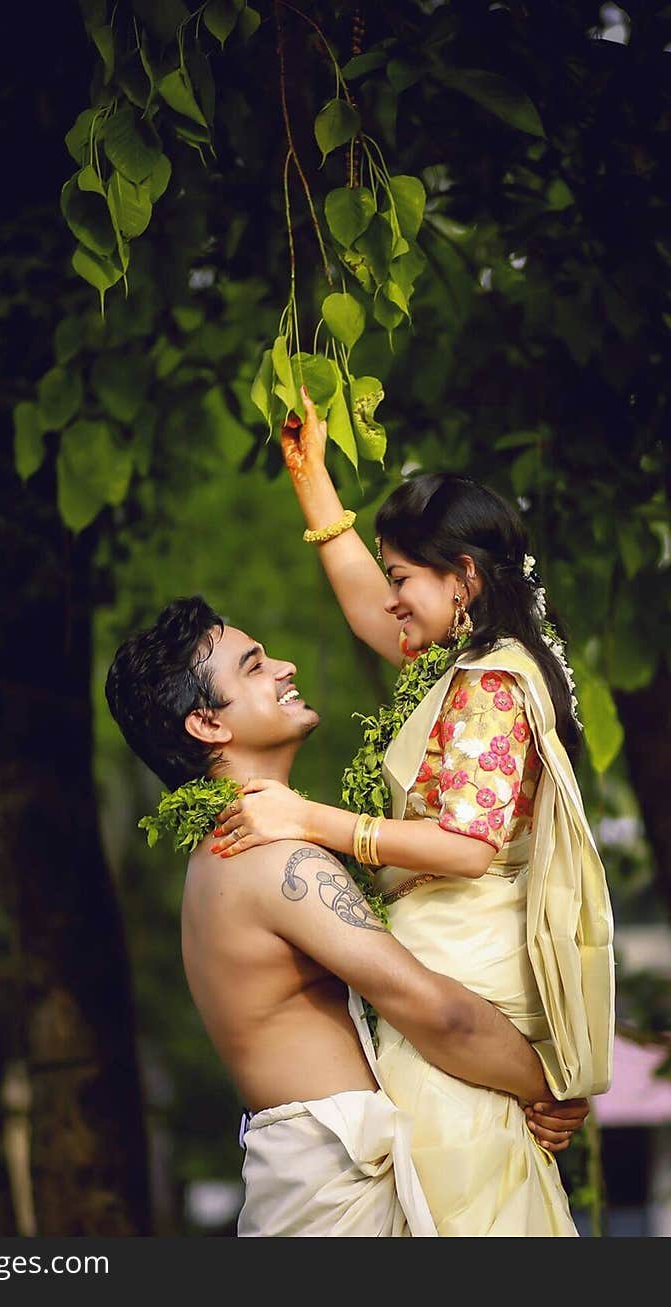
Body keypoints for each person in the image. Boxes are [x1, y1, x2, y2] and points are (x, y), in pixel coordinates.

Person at [208, 388, 614, 1236]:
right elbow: (372, 605)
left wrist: (309, 819)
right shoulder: (472, 659)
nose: (391, 601)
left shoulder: (491, 685)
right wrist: (310, 479)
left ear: (462, 579)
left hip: (467, 984)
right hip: (454, 980)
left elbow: (465, 845)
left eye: (405, 579)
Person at [105, 597, 589, 1238]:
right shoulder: (272, 860)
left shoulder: (228, 853)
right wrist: (549, 1085)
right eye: (253, 667)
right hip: (337, 1191)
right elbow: (431, 1009)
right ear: (206, 724)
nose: (284, 667)